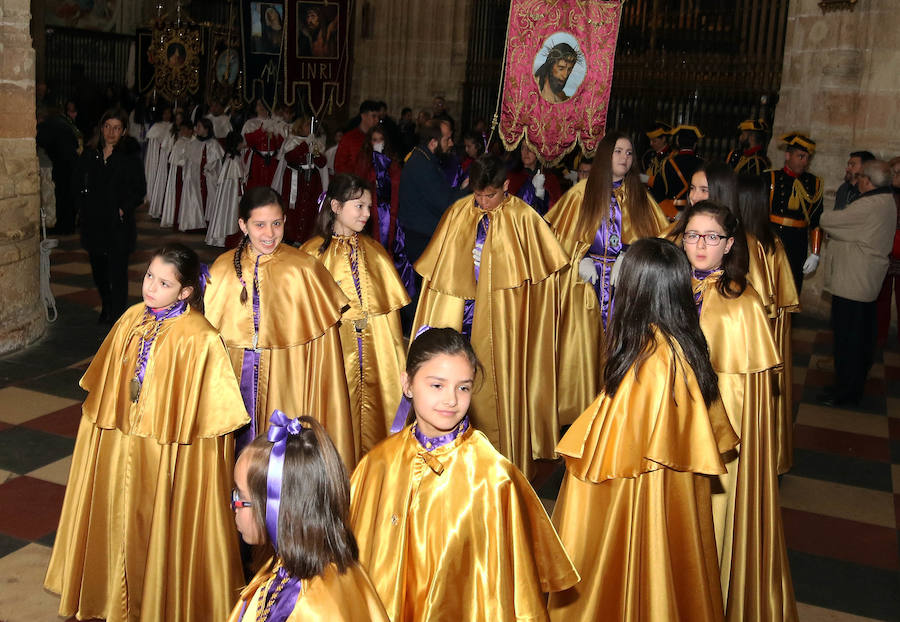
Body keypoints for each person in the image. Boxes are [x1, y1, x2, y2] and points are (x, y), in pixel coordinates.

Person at [45, 244, 249, 621]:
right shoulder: (130, 319)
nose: (151, 287)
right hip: (124, 446)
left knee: (155, 529)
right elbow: (107, 394)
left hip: (165, 458)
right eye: (149, 277)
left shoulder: (200, 339)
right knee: (118, 520)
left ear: (186, 292)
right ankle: (111, 599)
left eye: (165, 283)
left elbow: (211, 431)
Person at [547, 237, 738, 621]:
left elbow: (614, 462)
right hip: (671, 495)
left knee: (629, 564)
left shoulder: (652, 363)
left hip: (639, 494)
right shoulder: (682, 341)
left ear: (637, 291)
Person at [350, 327, 579, 621]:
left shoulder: (492, 477)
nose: (451, 400)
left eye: (463, 387)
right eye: (437, 385)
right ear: (407, 384)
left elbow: (503, 590)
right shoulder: (378, 463)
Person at [671, 201, 797, 621]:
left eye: (712, 237)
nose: (700, 244)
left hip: (720, 429)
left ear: (728, 245)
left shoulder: (743, 303)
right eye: (692, 235)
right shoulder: (670, 287)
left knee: (713, 517)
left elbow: (745, 397)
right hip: (669, 420)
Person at [411, 154, 568, 476]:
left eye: (490, 195)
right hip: (462, 315)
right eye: (478, 195)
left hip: (501, 321)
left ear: (506, 186)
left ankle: (498, 457)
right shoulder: (460, 211)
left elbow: (541, 278)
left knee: (496, 382)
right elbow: (439, 274)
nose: (482, 202)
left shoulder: (523, 218)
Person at [204, 186, 357, 466]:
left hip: (288, 386)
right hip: (235, 387)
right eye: (259, 225)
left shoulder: (305, 271)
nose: (269, 234)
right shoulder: (222, 270)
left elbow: (322, 358)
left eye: (276, 223)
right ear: (243, 225)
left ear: (285, 220)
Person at [546, 131, 668, 426]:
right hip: (587, 289)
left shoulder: (641, 198)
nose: (625, 158)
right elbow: (554, 241)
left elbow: (661, 240)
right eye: (618, 152)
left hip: (624, 288)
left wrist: (633, 256)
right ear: (605, 156)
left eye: (629, 153)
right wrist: (579, 260)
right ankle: (583, 413)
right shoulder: (581, 193)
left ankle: (619, 413)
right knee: (584, 350)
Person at [228, 413, 388, 621]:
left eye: (241, 496)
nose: (234, 506)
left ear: (281, 510)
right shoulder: (285, 569)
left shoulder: (315, 604)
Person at [300, 174, 409, 458]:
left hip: (374, 352)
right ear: (335, 206)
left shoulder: (375, 252)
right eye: (358, 206)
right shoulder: (312, 255)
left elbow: (391, 327)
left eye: (369, 207)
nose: (366, 213)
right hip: (335, 352)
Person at [819, 160, 896, 407]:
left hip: (854, 282)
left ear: (868, 181)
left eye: (861, 176)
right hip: (864, 281)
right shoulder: (887, 200)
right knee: (859, 338)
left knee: (848, 340)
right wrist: (846, 234)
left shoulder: (870, 204)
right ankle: (849, 386)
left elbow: (828, 220)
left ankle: (846, 392)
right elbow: (851, 231)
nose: (858, 180)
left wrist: (839, 230)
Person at [737, 175, 799, 474]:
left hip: (757, 333)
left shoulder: (751, 243)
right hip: (771, 331)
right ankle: (770, 451)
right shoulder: (771, 239)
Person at [76, 108, 145, 323]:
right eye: (107, 127)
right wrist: (82, 204)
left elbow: (139, 190)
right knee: (99, 270)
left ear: (124, 131)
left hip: (118, 224)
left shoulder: (129, 157)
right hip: (94, 221)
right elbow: (77, 182)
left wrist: (124, 207)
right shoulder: (90, 154)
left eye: (116, 128)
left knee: (118, 272)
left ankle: (118, 315)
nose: (111, 132)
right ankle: (106, 302)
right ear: (101, 128)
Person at [353, 125, 416, 297]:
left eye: (380, 140)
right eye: (374, 140)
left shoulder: (392, 161)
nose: (377, 143)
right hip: (367, 211)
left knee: (385, 249)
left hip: (387, 213)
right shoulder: (364, 159)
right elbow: (360, 180)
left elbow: (396, 184)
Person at [398, 119, 469, 265]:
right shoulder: (422, 165)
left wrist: (461, 188)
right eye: (447, 139)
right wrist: (470, 189)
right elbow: (446, 204)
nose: (451, 144)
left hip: (422, 234)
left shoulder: (424, 158)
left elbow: (439, 194)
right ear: (433, 143)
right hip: (422, 238)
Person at [766, 132, 824, 294]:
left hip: (797, 243)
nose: (804, 162)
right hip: (773, 238)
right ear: (787, 155)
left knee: (791, 289)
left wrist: (815, 253)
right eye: (800, 156)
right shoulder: (771, 178)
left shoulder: (814, 183)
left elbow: (816, 220)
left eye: (807, 158)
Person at [270, 115, 327, 244]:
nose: (310, 128)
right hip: (295, 180)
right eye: (307, 125)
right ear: (300, 127)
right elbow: (290, 157)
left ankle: (305, 239)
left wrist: (315, 152)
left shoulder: (315, 142)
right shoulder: (292, 140)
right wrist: (305, 145)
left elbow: (322, 163)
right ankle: (290, 237)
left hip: (312, 180)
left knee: (309, 209)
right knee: (293, 208)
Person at [650, 124, 705, 219]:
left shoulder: (666, 163)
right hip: (696, 213)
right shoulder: (704, 165)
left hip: (672, 214)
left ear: (678, 143)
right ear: (695, 145)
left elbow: (658, 190)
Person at [161, 120, 205, 231]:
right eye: (182, 129)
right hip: (180, 173)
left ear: (191, 130)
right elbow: (177, 160)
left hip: (191, 174)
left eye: (185, 129)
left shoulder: (196, 142)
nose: (182, 131)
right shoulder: (179, 143)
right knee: (179, 196)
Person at [876, 156, 900, 346]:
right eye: (894, 171)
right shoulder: (883, 195)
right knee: (882, 297)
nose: (897, 176)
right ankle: (879, 336)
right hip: (884, 251)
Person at [207, 130, 245, 247]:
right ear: (237, 143)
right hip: (233, 195)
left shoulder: (231, 158)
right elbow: (235, 181)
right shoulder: (233, 160)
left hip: (231, 194)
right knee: (231, 213)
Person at [507, 142, 562, 215]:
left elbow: (556, 209)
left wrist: (543, 194)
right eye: (523, 148)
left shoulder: (550, 179)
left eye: (530, 148)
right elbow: (511, 206)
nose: (526, 152)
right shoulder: (512, 177)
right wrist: (531, 187)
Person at [242, 99, 286, 189]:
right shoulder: (250, 123)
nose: (261, 107)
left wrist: (275, 133)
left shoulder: (277, 123)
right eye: (259, 104)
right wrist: (262, 131)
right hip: (256, 161)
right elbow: (247, 142)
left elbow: (282, 145)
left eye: (264, 104)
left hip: (272, 161)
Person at [188, 116, 224, 224]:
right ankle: (196, 221)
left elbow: (217, 164)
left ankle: (209, 221)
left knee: (209, 199)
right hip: (196, 178)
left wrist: (209, 170)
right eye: (196, 126)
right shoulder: (194, 143)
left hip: (209, 179)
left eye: (199, 126)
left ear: (206, 129)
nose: (196, 129)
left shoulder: (214, 144)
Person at [334, 100, 380, 174]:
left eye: (378, 117)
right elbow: (338, 166)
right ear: (363, 116)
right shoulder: (349, 138)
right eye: (374, 116)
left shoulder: (379, 137)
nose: (377, 120)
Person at [146, 106, 174, 219]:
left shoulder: (173, 126)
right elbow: (153, 147)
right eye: (164, 113)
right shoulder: (156, 127)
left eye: (168, 113)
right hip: (159, 159)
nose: (167, 116)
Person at [640, 121, 672, 185]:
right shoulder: (648, 155)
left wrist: (642, 178)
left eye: (654, 141)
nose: (651, 143)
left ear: (663, 139)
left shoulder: (672, 156)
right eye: (650, 140)